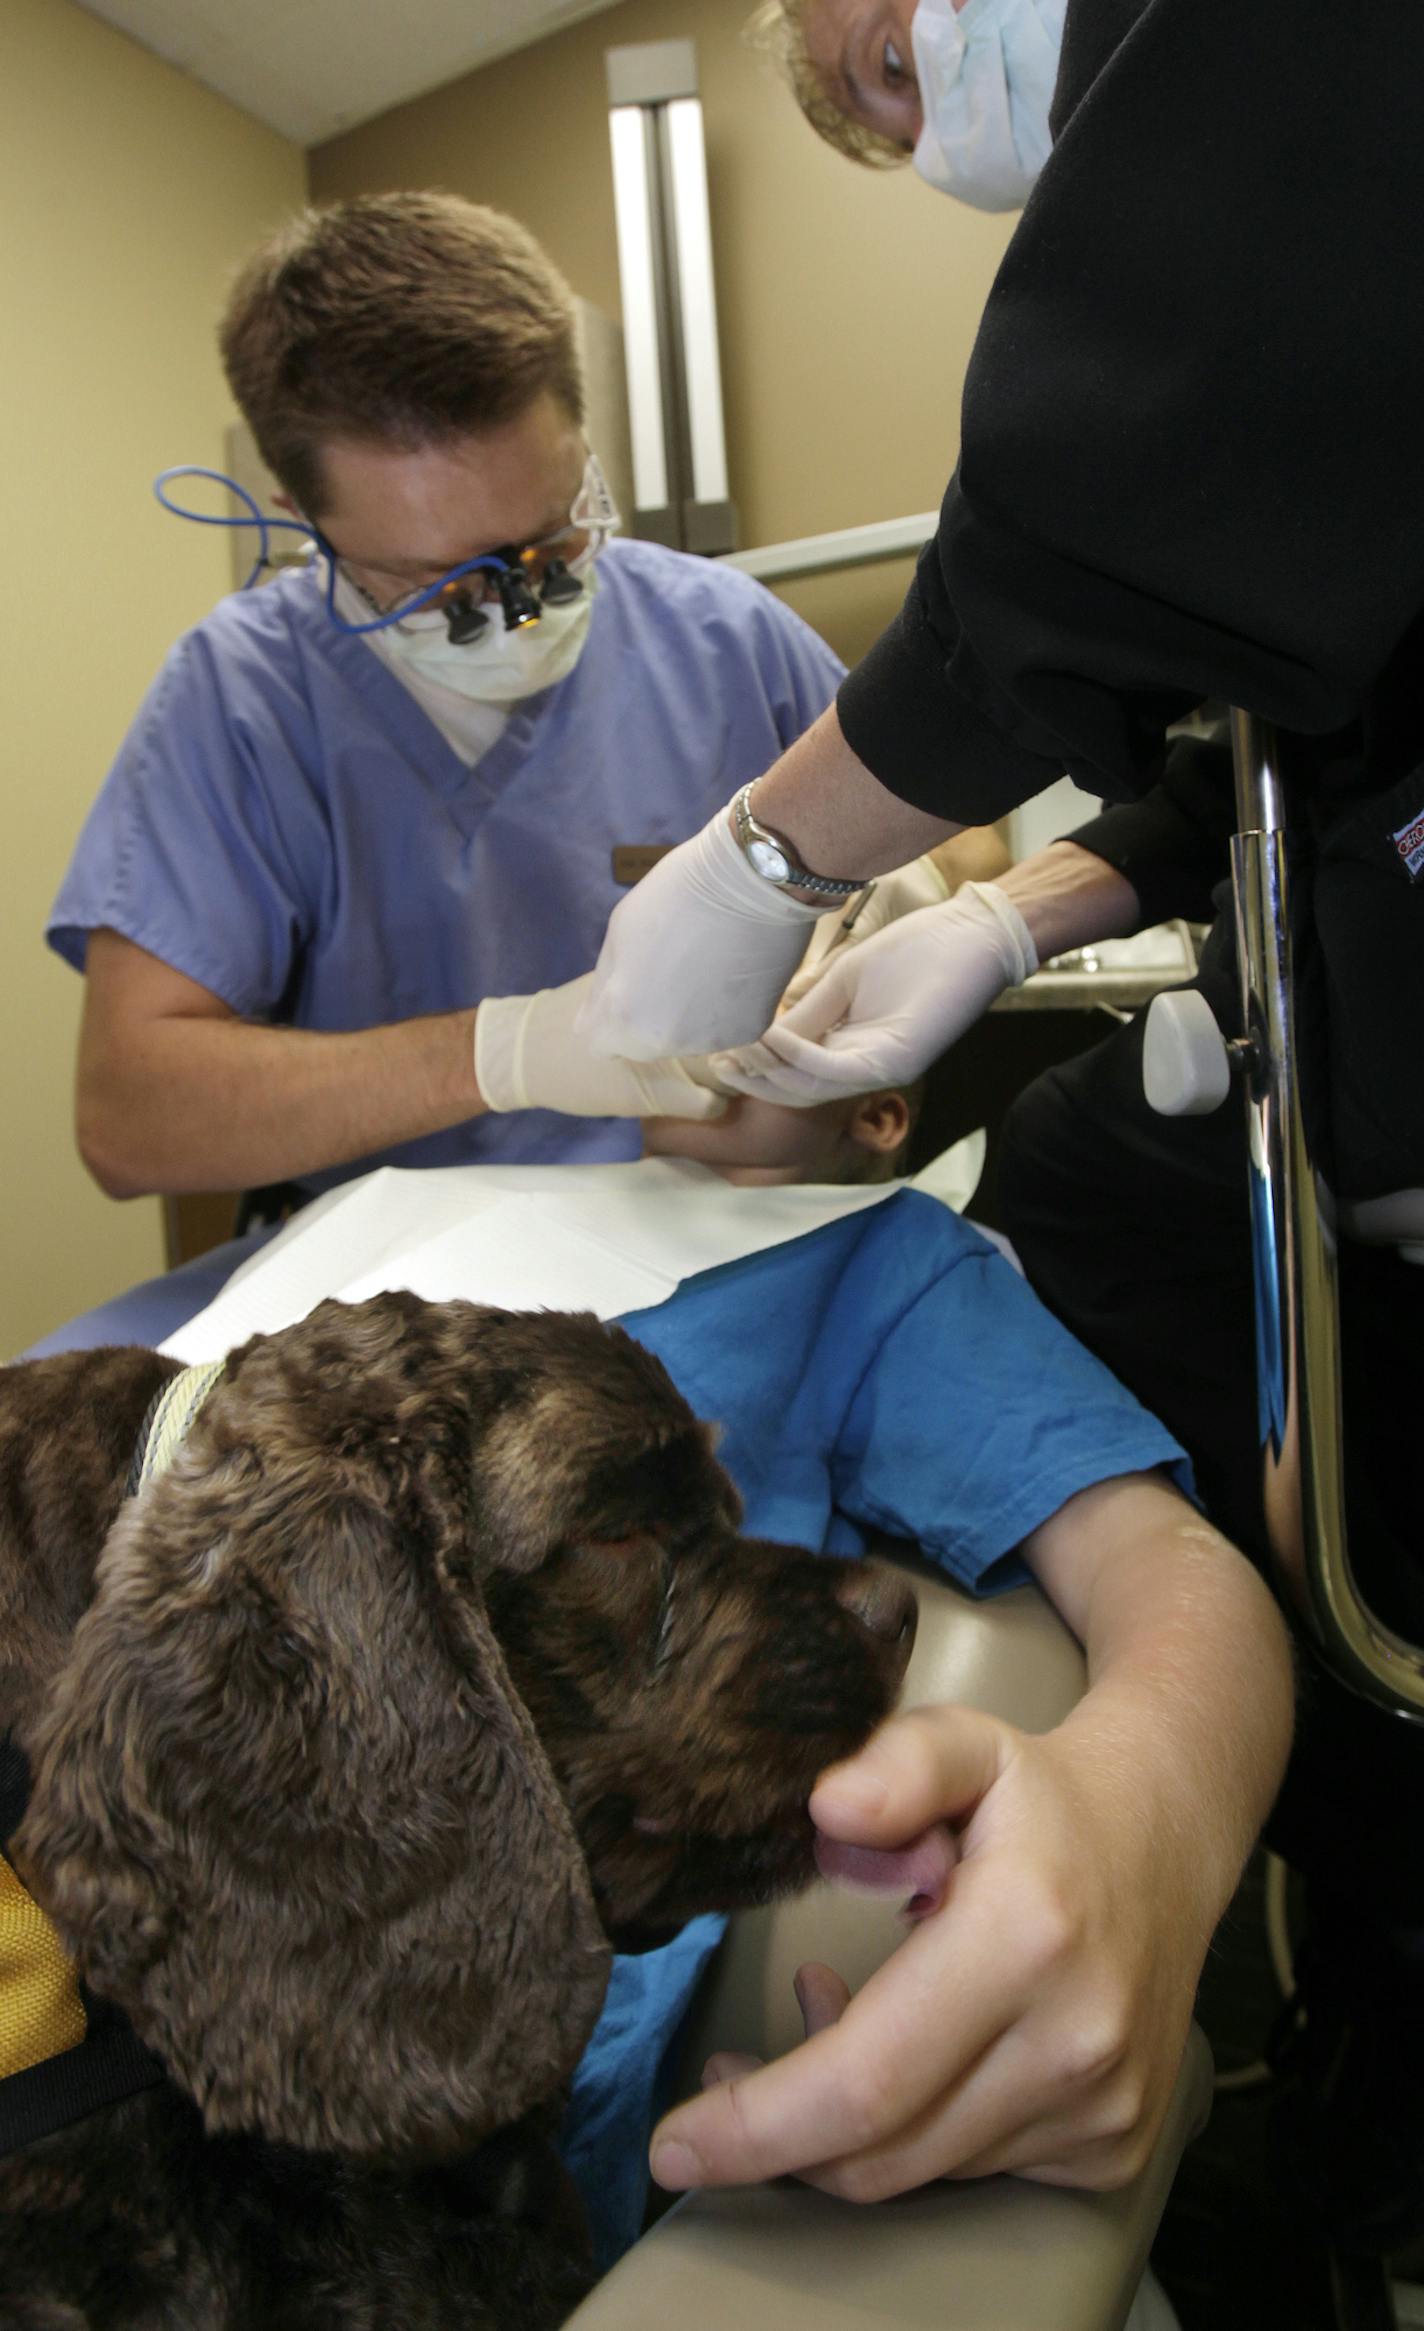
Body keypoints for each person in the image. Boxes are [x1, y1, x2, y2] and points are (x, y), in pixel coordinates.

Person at [573, 0, 1424, 2255]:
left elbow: (1121, 517)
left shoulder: (885, 1275)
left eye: (880, 38)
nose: (894, 62)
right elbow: (1249, 691)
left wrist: (776, 860)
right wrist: (1015, 909)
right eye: (861, 95)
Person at [138, 1072, 1292, 2275]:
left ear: (879, 1105)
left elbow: (1162, 1563)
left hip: (393, 2028)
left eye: (805, 908)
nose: (722, 925)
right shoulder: (398, 1207)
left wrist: (1145, 1818)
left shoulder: (874, 1261)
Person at [45, 191, 847, 1238]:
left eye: (554, 546)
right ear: (299, 518)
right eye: (445, 586)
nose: (523, 611)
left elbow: (939, 854)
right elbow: (131, 1119)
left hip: (715, 1230)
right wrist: (507, 1053)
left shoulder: (722, 633)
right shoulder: (242, 696)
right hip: (395, 1290)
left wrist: (850, 983)